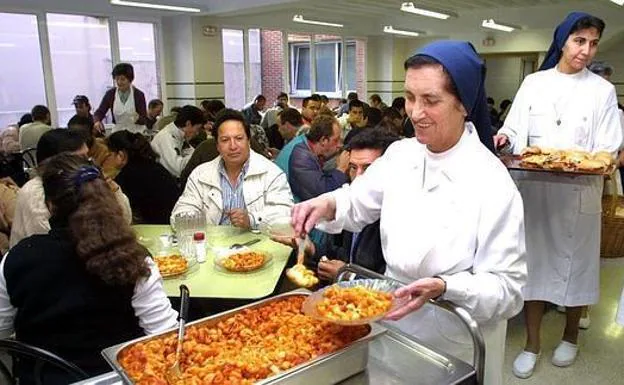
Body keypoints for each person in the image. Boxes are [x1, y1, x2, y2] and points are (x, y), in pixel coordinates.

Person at [291, 40, 527, 385]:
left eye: (430, 100)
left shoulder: (491, 182)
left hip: (453, 336)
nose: (415, 112)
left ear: (463, 104)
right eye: (410, 98)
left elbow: (508, 290)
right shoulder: (402, 155)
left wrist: (446, 287)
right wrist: (327, 203)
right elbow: (357, 201)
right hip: (391, 320)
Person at [494, 13, 622, 378]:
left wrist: (589, 161)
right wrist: (505, 139)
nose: (586, 50)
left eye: (593, 43)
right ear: (563, 41)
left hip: (580, 194)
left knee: (576, 268)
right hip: (535, 192)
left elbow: (609, 146)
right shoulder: (534, 83)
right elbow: (515, 129)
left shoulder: (602, 91)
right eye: (579, 41)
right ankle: (531, 343)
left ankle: (570, 336)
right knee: (534, 268)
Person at [0, 153, 177, 380]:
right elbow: (165, 335)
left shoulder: (17, 258)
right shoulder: (131, 257)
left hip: (41, 378)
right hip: (117, 377)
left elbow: (3, 330)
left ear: (49, 204)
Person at [171, 109, 293, 229]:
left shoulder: (271, 173)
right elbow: (180, 213)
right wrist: (197, 224)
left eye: (239, 138)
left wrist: (252, 219)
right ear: (217, 146)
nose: (233, 146)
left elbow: (286, 216)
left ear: (249, 141)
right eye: (225, 140)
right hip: (212, 246)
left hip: (258, 246)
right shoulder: (200, 174)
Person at [10, 130, 133, 247]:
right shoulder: (35, 192)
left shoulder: (86, 181)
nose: (89, 164)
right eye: (80, 159)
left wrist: (113, 190)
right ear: (57, 164)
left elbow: (124, 221)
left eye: (87, 157)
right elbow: (50, 242)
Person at [106, 131, 180, 224]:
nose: (109, 159)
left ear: (121, 155)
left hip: (156, 225)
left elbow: (121, 211)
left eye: (110, 155)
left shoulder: (128, 176)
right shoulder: (152, 165)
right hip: (174, 219)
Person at [277, 114, 348, 203]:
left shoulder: (304, 145)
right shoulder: (302, 157)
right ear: (323, 140)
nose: (339, 145)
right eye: (336, 140)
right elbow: (323, 194)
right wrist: (341, 169)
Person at [150, 105, 204, 178]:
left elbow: (191, 152)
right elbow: (178, 169)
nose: (197, 133)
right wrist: (199, 156)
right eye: (197, 129)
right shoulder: (166, 137)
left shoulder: (179, 135)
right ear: (188, 124)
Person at [93, 63, 148, 134]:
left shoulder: (138, 95)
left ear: (130, 79)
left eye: (123, 79)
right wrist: (97, 121)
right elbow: (100, 112)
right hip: (119, 132)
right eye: (117, 79)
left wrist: (137, 118)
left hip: (136, 132)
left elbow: (144, 119)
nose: (119, 82)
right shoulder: (110, 94)